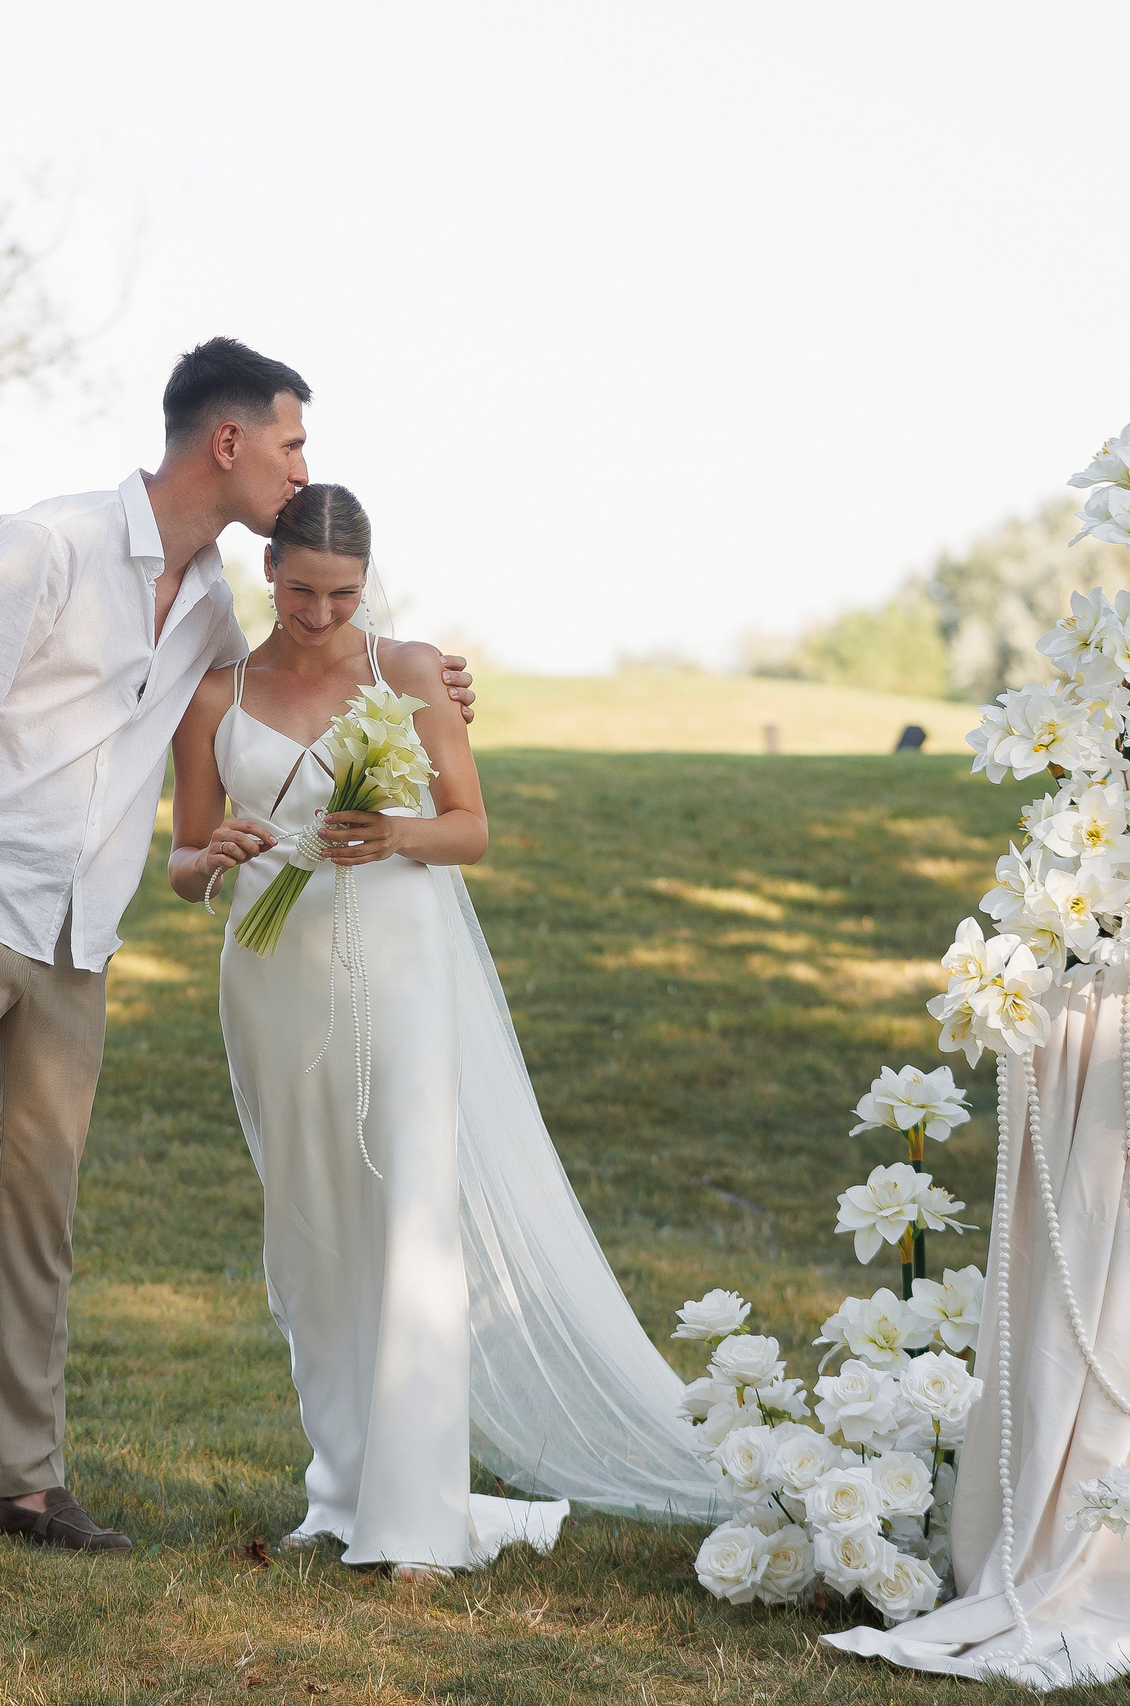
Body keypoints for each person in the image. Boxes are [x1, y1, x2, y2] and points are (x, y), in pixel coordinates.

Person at [0, 341, 476, 1573]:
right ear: (230, 441)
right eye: (292, 443)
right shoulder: (44, 545)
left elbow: (288, 683)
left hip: (75, 936)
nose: (300, 467)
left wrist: (427, 680)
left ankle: (26, 1481)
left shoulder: (210, 605)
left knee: (37, 1211)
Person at [167, 484, 732, 1580]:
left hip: (401, 968)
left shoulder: (413, 672)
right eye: (298, 591)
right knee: (310, 1233)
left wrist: (393, 835)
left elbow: (469, 829)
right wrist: (215, 855)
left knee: (409, 1219)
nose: (319, 615)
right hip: (272, 979)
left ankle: (417, 1515)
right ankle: (341, 1488)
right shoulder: (212, 694)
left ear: (366, 582)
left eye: (342, 594)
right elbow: (183, 861)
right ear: (267, 570)